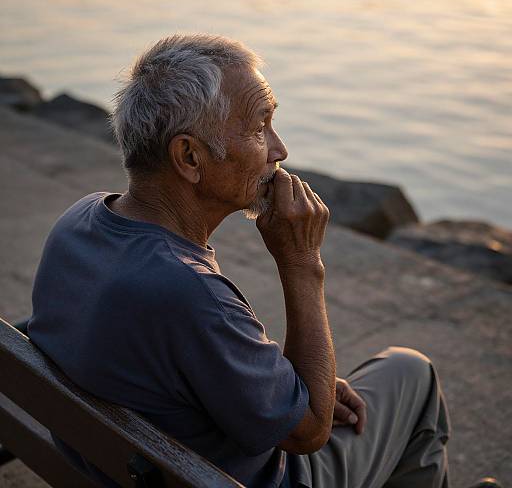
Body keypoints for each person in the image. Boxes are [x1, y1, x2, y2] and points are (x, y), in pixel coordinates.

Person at [27, 34, 501, 488]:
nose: (280, 150)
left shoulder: (82, 219)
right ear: (189, 156)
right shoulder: (188, 291)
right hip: (244, 478)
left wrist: (277, 382)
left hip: (120, 466)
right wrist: (302, 263)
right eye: (259, 127)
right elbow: (310, 431)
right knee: (410, 371)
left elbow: (162, 358)